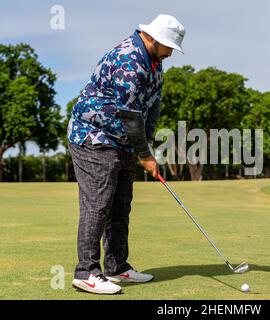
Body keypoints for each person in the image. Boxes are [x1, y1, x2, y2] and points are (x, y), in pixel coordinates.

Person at [67, 14, 185, 295]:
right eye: (168, 46)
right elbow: (131, 116)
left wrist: (146, 146)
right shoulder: (129, 60)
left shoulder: (154, 64)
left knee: (121, 206)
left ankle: (117, 266)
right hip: (93, 136)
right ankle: (86, 272)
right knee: (98, 205)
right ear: (153, 38)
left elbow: (152, 107)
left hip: (123, 141)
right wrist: (145, 156)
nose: (170, 52)